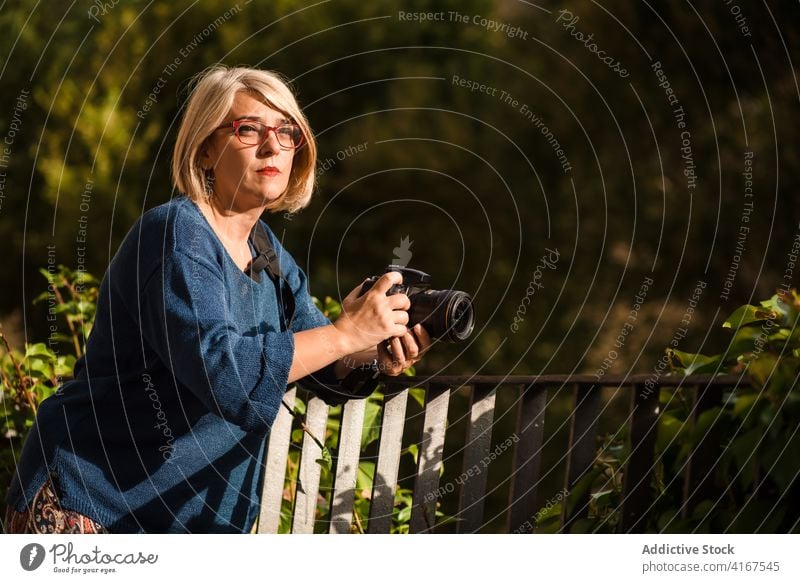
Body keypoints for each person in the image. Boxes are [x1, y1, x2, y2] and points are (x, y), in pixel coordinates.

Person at [3, 65, 431, 534]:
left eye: (287, 133)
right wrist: (344, 333)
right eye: (249, 129)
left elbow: (323, 359)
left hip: (185, 521)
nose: (273, 146)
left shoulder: (267, 251)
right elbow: (225, 374)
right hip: (92, 504)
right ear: (205, 149)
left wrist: (372, 351)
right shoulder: (177, 234)